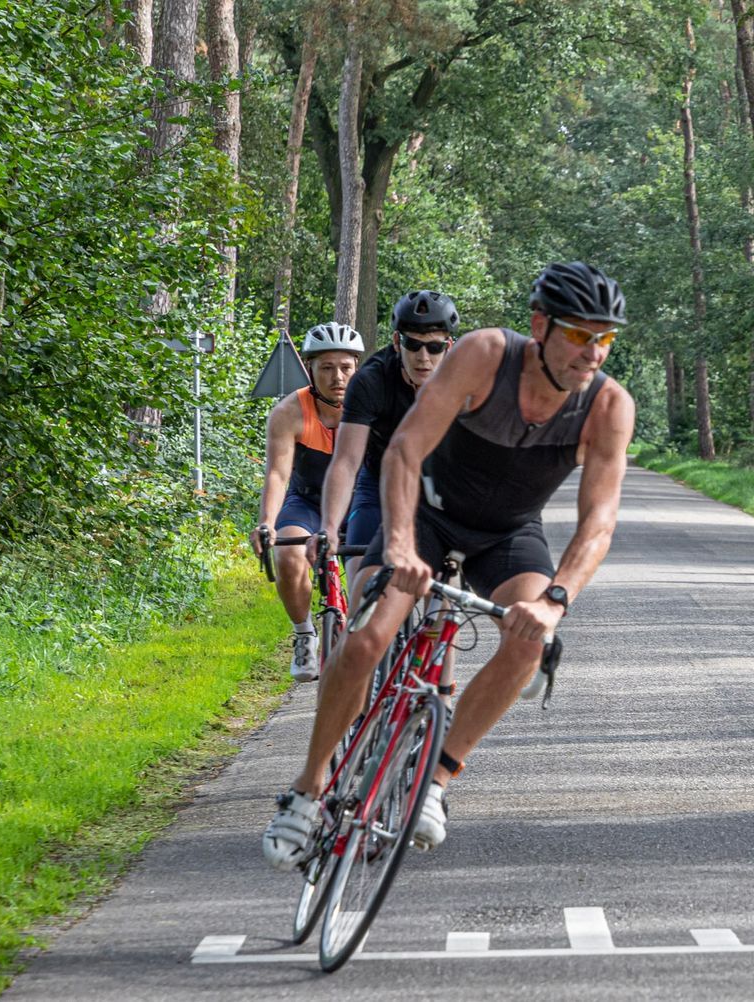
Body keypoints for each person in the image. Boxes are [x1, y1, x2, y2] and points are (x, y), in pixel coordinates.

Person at [262, 262, 636, 869]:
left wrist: (553, 600)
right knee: (366, 639)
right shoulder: (486, 355)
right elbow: (405, 449)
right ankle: (306, 792)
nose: (592, 353)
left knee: (529, 643)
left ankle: (434, 779)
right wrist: (403, 546)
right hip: (428, 517)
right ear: (540, 326)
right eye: (577, 335)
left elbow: (599, 523)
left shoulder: (608, 407)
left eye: (605, 339)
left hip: (509, 535)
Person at [249, 322, 365, 682]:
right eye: (327, 368)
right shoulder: (290, 411)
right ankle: (304, 635)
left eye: (345, 367)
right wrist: (267, 522)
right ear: (310, 369)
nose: (337, 377)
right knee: (288, 553)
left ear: (357, 368)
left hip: (359, 499)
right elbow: (278, 475)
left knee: (368, 569)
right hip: (308, 500)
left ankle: (369, 642)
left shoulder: (373, 406)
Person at [316, 290, 460, 561]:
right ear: (396, 341)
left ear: (449, 347)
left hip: (443, 483)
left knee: (442, 576)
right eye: (413, 345)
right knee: (359, 563)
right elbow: (346, 461)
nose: (423, 357)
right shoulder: (371, 381)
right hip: (379, 480)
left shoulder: (464, 380)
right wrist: (330, 527)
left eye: (434, 347)